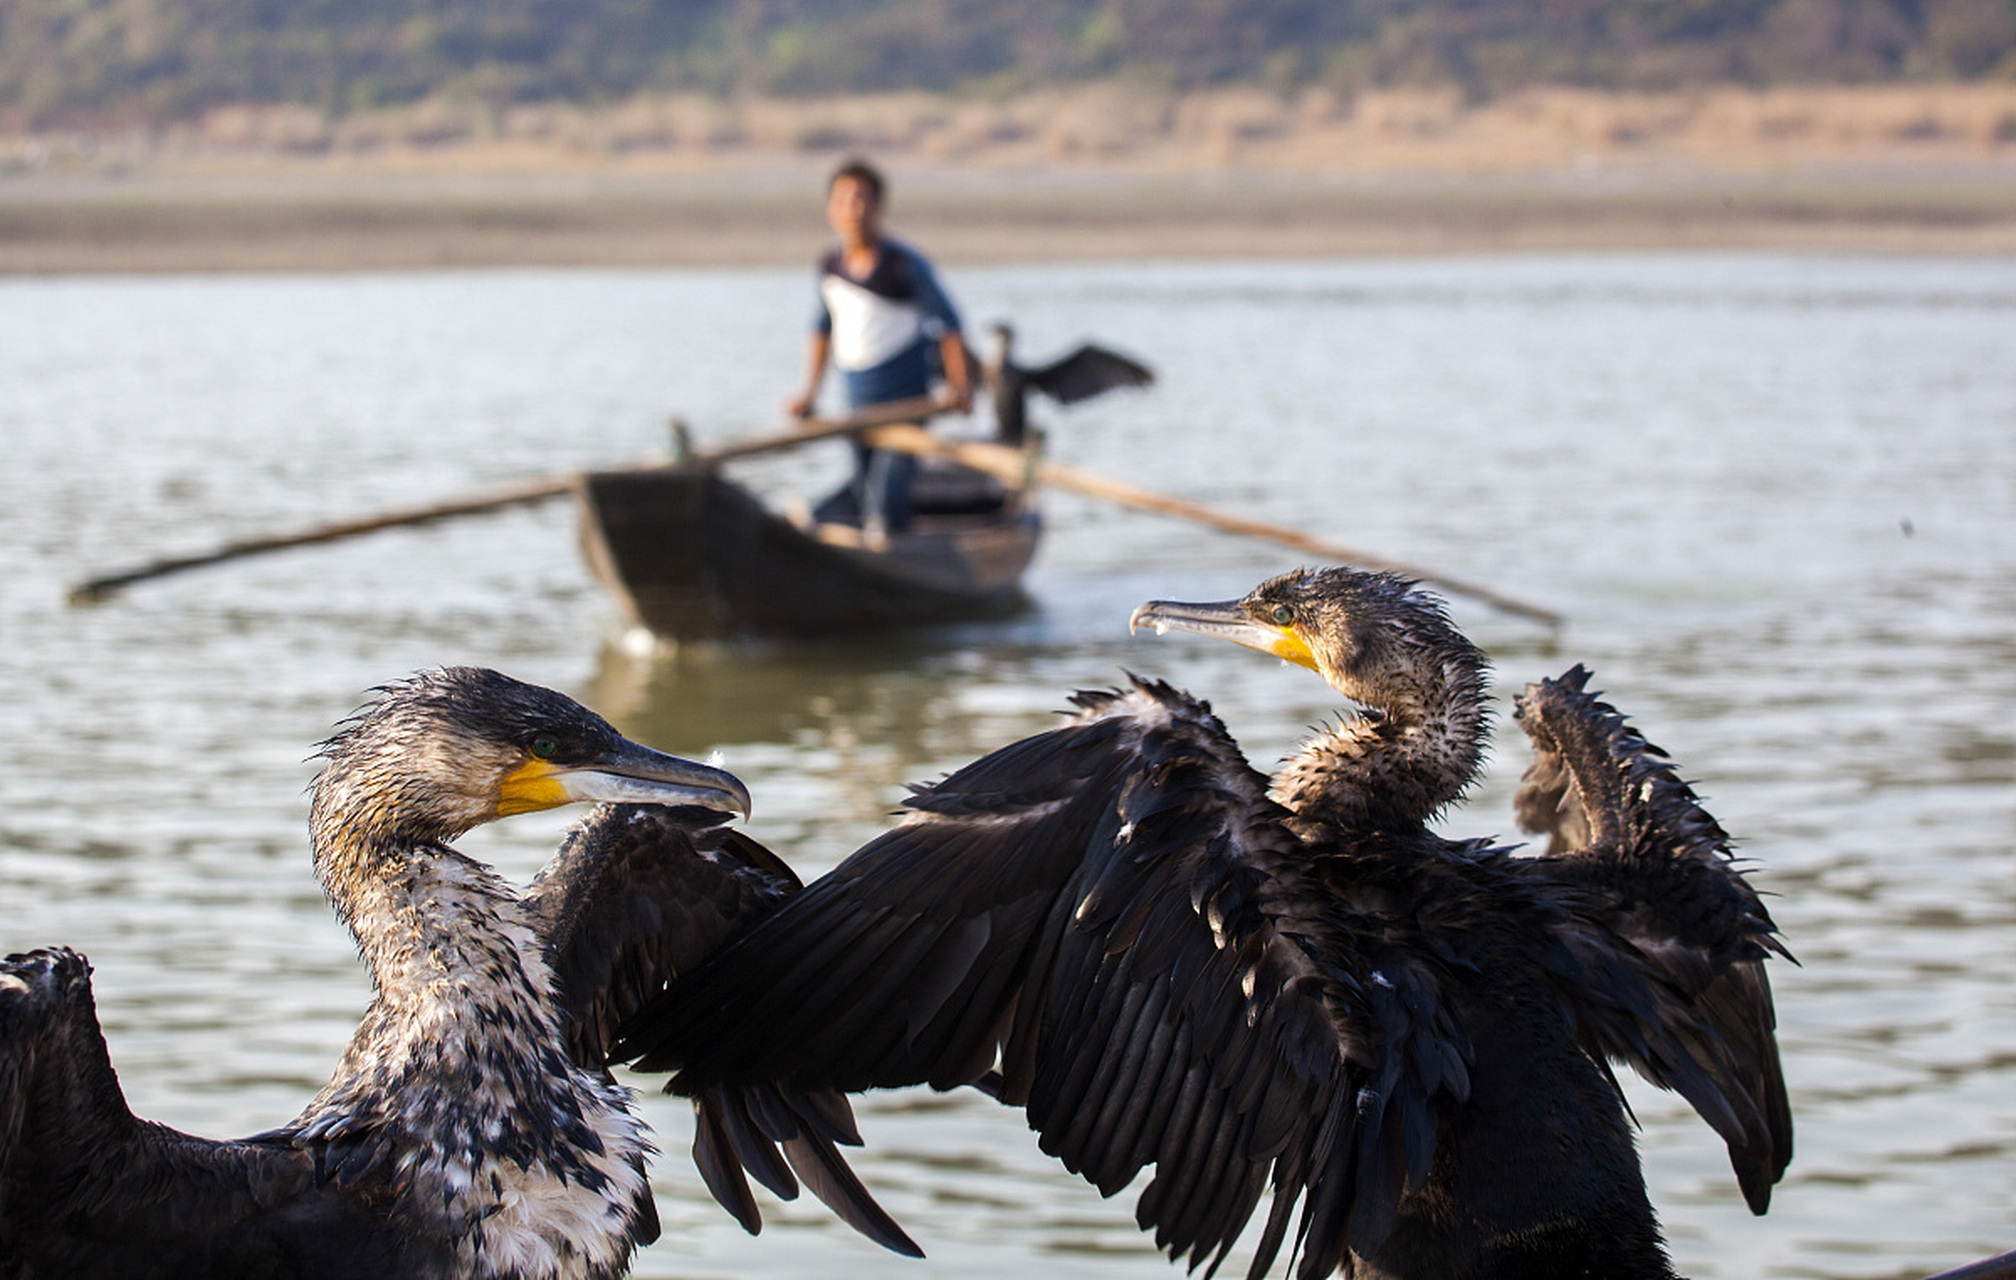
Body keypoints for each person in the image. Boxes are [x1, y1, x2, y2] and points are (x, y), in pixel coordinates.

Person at [786, 157, 972, 534]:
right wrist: (809, 393)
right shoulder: (830, 266)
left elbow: (950, 325)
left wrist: (960, 386)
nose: (852, 210)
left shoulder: (905, 265)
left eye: (861, 200)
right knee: (864, 487)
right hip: (858, 407)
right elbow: (822, 329)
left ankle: (894, 553)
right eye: (843, 200)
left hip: (908, 406)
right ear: (830, 210)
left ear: (878, 207)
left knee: (888, 492)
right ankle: (875, 543)